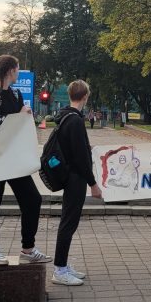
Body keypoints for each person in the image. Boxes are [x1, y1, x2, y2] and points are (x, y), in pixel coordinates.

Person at [0, 55, 46, 267]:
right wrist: (18, 116)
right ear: (9, 71)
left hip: (13, 159)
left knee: (33, 200)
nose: (18, 72)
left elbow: (18, 125)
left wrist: (26, 115)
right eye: (17, 69)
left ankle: (28, 248)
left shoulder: (16, 93)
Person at [51, 80, 103, 285]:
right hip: (76, 177)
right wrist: (93, 184)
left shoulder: (66, 116)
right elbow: (81, 158)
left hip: (68, 174)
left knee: (68, 221)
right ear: (85, 97)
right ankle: (59, 269)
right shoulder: (75, 121)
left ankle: (62, 265)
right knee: (68, 223)